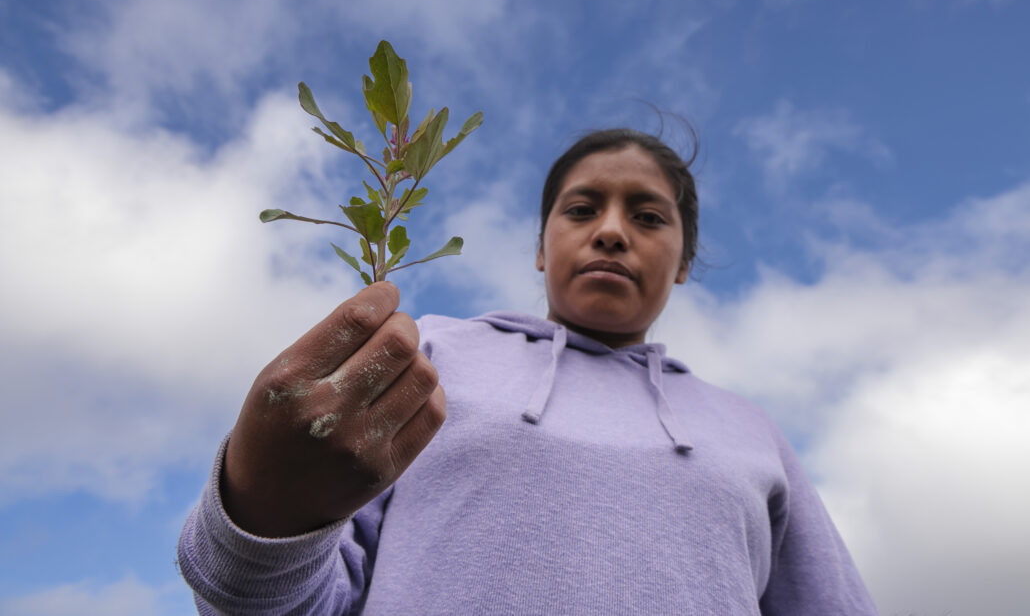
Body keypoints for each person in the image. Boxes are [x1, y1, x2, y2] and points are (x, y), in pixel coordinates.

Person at [177, 128, 879, 615]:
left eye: (648, 216)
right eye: (581, 209)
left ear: (685, 261)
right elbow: (284, 600)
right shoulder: (432, 358)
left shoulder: (750, 429)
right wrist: (262, 518)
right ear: (542, 248)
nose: (611, 230)